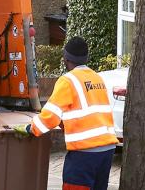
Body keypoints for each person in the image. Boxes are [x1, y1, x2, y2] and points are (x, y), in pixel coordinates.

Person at [23, 36, 119, 190]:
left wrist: (31, 128)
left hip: (85, 153)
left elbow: (50, 116)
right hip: (107, 150)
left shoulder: (67, 81)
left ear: (66, 59)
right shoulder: (97, 78)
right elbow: (87, 112)